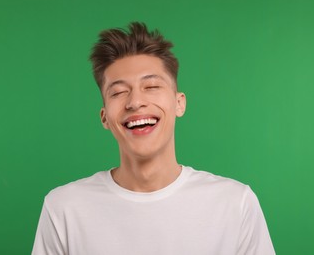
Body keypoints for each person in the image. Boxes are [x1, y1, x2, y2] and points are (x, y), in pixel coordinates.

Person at [32, 22, 275, 255]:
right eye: (118, 92)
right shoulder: (64, 208)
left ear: (179, 103)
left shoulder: (235, 203)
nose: (135, 101)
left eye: (151, 87)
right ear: (105, 118)